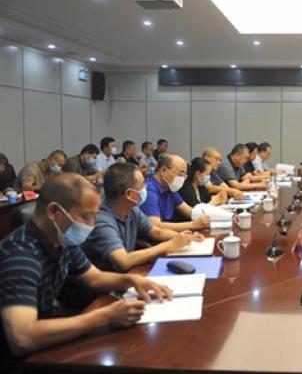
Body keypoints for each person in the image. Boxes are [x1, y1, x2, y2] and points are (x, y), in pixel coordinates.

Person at [0, 173, 172, 359]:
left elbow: (94, 278)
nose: (91, 225)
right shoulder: (20, 256)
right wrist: (104, 317)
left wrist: (131, 280)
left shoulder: (62, 241)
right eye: (85, 217)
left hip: (48, 334)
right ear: (53, 211)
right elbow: (22, 338)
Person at [83, 163, 202, 272]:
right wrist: (170, 245)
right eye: (142, 186)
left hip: (124, 276)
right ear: (129, 194)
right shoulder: (101, 220)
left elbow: (156, 232)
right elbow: (123, 261)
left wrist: (183, 237)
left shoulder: (131, 209)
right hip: (104, 284)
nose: (145, 188)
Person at [139, 154, 211, 231]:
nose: (182, 179)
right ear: (163, 170)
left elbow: (189, 212)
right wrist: (193, 225)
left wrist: (209, 218)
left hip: (168, 234)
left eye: (184, 176)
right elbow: (155, 226)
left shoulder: (169, 188)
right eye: (180, 174)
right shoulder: (149, 192)